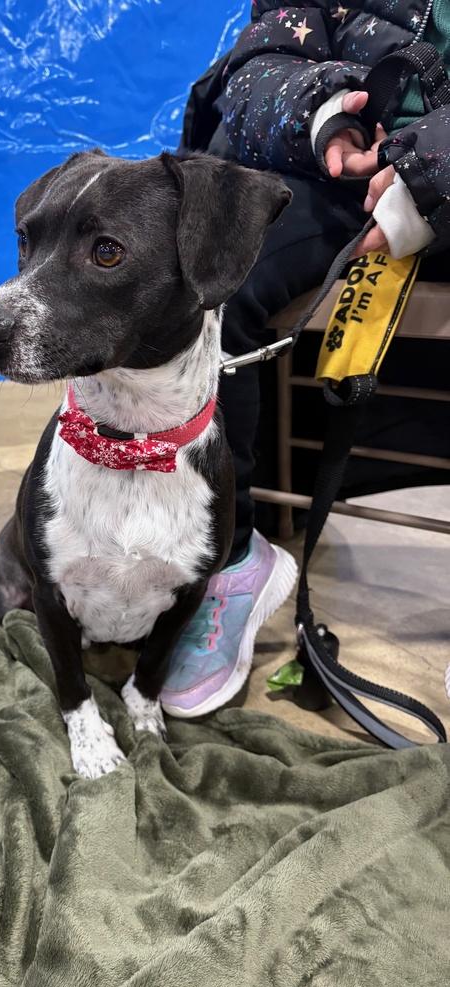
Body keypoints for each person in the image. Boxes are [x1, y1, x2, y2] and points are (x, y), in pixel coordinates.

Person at [160, 0, 450, 717]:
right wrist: (325, 114)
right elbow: (257, 62)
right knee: (204, 283)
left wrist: (434, 164)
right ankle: (228, 559)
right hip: (345, 183)